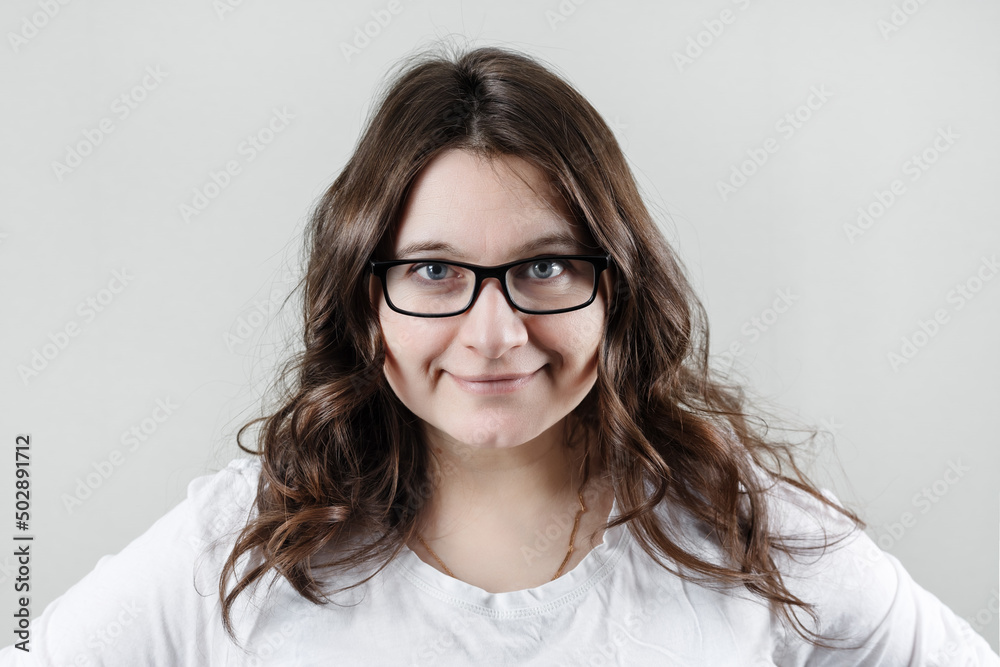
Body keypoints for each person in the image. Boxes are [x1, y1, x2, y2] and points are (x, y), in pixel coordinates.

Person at [3, 42, 998, 666]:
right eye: (434, 271)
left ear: (616, 283)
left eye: (545, 267)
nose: (493, 334)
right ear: (366, 297)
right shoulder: (239, 544)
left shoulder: (744, 528)